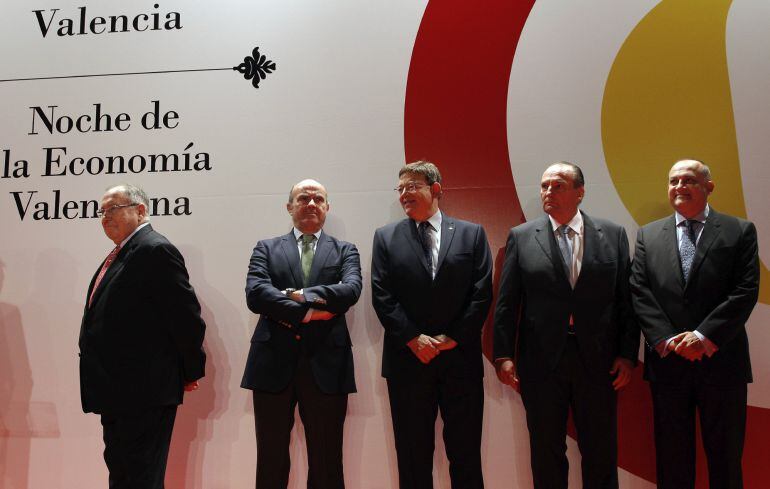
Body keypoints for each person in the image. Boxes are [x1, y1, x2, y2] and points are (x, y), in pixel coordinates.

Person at [493, 162, 639, 489]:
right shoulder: (522, 237)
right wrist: (503, 355)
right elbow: (507, 302)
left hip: (599, 362)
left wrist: (628, 354)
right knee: (546, 452)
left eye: (557, 186)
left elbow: (626, 301)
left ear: (579, 193)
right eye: (544, 186)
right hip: (542, 363)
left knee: (600, 451)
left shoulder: (612, 235)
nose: (548, 192)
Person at [630, 159, 759, 489]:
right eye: (673, 181)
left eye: (688, 180)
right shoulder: (648, 235)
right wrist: (667, 340)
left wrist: (703, 336)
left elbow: (745, 290)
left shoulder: (739, 231)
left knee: (726, 460)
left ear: (709, 187)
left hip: (722, 363)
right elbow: (640, 291)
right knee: (672, 461)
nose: (679, 187)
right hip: (668, 365)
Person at [371, 161, 492, 489]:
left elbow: (481, 294)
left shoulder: (472, 233)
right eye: (400, 189)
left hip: (460, 362)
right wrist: (413, 338)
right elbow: (382, 296)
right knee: (412, 459)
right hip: (407, 362)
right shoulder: (385, 238)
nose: (404, 195)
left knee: (465, 456)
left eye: (412, 186)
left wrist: (452, 337)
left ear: (436, 188)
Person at [79, 184, 206, 489]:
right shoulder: (123, 251)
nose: (104, 217)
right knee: (123, 475)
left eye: (113, 209)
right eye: (101, 211)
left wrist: (189, 370)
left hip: (144, 388)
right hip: (117, 389)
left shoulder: (154, 249)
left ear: (140, 210)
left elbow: (185, 316)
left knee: (142, 477)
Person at [241, 179, 361, 489]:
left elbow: (349, 290)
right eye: (303, 198)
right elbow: (256, 294)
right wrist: (307, 311)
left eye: (318, 199)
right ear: (289, 206)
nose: (311, 203)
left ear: (327, 207)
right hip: (271, 363)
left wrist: (297, 294)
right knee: (271, 457)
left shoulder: (346, 250)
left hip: (326, 363)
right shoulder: (265, 248)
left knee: (327, 458)